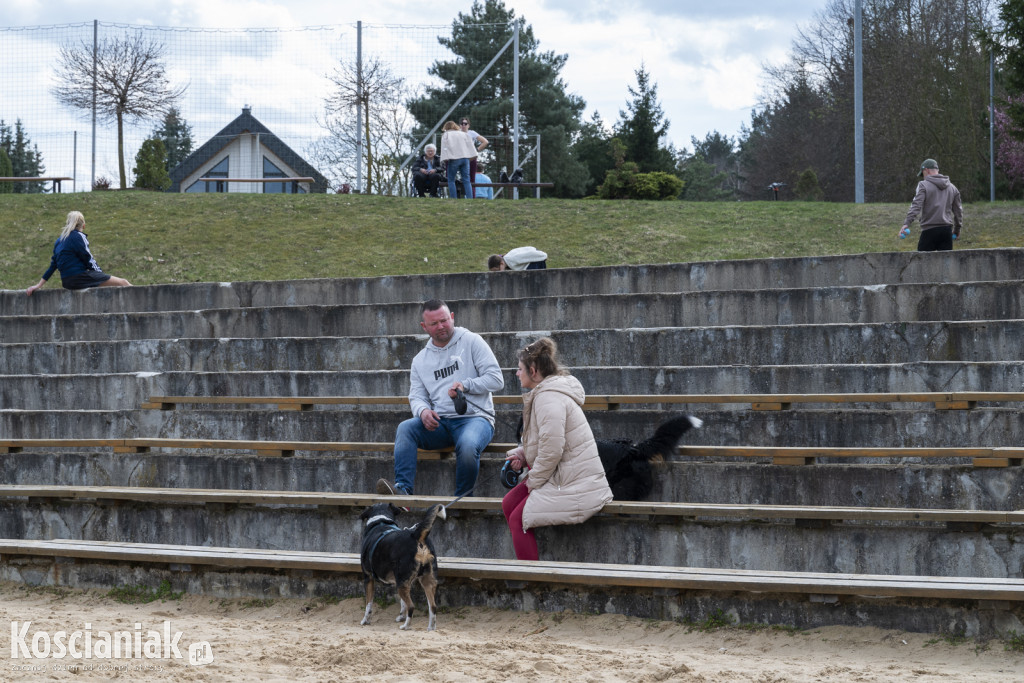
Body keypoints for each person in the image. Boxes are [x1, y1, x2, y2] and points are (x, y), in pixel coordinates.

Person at [377, 299, 504, 497]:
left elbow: (497, 380)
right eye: (434, 324)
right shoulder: (420, 360)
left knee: (469, 444)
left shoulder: (472, 341)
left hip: (476, 419)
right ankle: (402, 491)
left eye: (444, 320)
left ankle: (463, 500)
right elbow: (417, 396)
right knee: (405, 428)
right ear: (424, 327)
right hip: (441, 424)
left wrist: (467, 385)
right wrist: (423, 411)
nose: (441, 326)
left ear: (452, 317)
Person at [501, 337, 613, 561]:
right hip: (561, 475)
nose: (516, 373)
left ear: (533, 371)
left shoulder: (548, 399)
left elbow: (552, 450)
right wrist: (523, 455)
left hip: (574, 483)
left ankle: (531, 579)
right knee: (508, 503)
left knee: (517, 519)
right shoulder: (545, 394)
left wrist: (531, 481)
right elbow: (548, 442)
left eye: (519, 368)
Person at [26, 211, 132, 295]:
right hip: (78, 278)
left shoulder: (59, 240)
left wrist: (38, 285)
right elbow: (88, 258)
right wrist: (100, 274)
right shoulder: (78, 236)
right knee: (123, 282)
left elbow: (53, 265)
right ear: (83, 226)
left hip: (67, 282)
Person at [900, 158, 963, 252]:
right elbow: (958, 212)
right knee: (945, 265)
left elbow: (916, 205)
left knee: (922, 264)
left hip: (929, 231)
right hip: (946, 232)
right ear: (937, 170)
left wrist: (907, 223)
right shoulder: (952, 188)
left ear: (926, 170)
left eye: (922, 174)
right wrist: (957, 229)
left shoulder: (923, 185)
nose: (923, 177)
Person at [440, 121, 476, 199]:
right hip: (465, 158)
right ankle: (470, 198)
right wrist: (473, 155)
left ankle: (454, 198)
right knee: (467, 179)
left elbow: (444, 148)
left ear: (445, 128)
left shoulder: (446, 135)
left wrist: (445, 159)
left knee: (451, 179)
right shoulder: (464, 134)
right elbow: (470, 144)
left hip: (454, 158)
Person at [460, 117, 489, 197]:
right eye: (462, 124)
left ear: (468, 125)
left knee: (471, 179)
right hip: (459, 158)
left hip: (471, 158)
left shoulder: (472, 133)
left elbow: (485, 141)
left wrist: (476, 150)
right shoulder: (457, 133)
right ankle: (457, 199)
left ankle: (471, 198)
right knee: (459, 179)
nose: (463, 125)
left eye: (465, 124)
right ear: (459, 125)